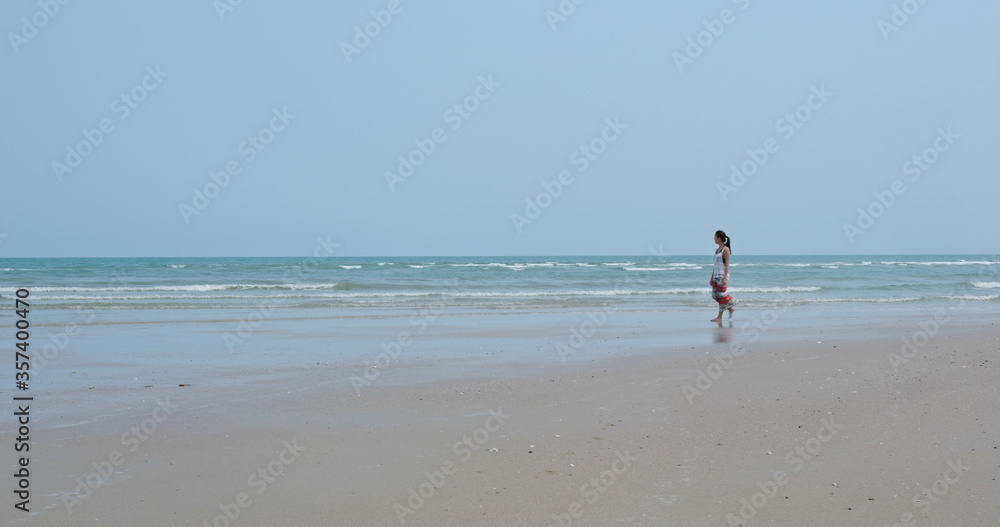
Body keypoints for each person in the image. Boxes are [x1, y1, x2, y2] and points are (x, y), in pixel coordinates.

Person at [710, 230, 737, 322]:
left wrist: (725, 278)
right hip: (715, 276)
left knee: (721, 295)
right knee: (715, 295)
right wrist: (711, 277)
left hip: (722, 276)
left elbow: (727, 265)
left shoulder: (726, 250)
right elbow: (715, 265)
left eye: (715, 237)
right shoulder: (717, 250)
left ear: (719, 238)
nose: (713, 238)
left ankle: (719, 317)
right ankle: (730, 308)